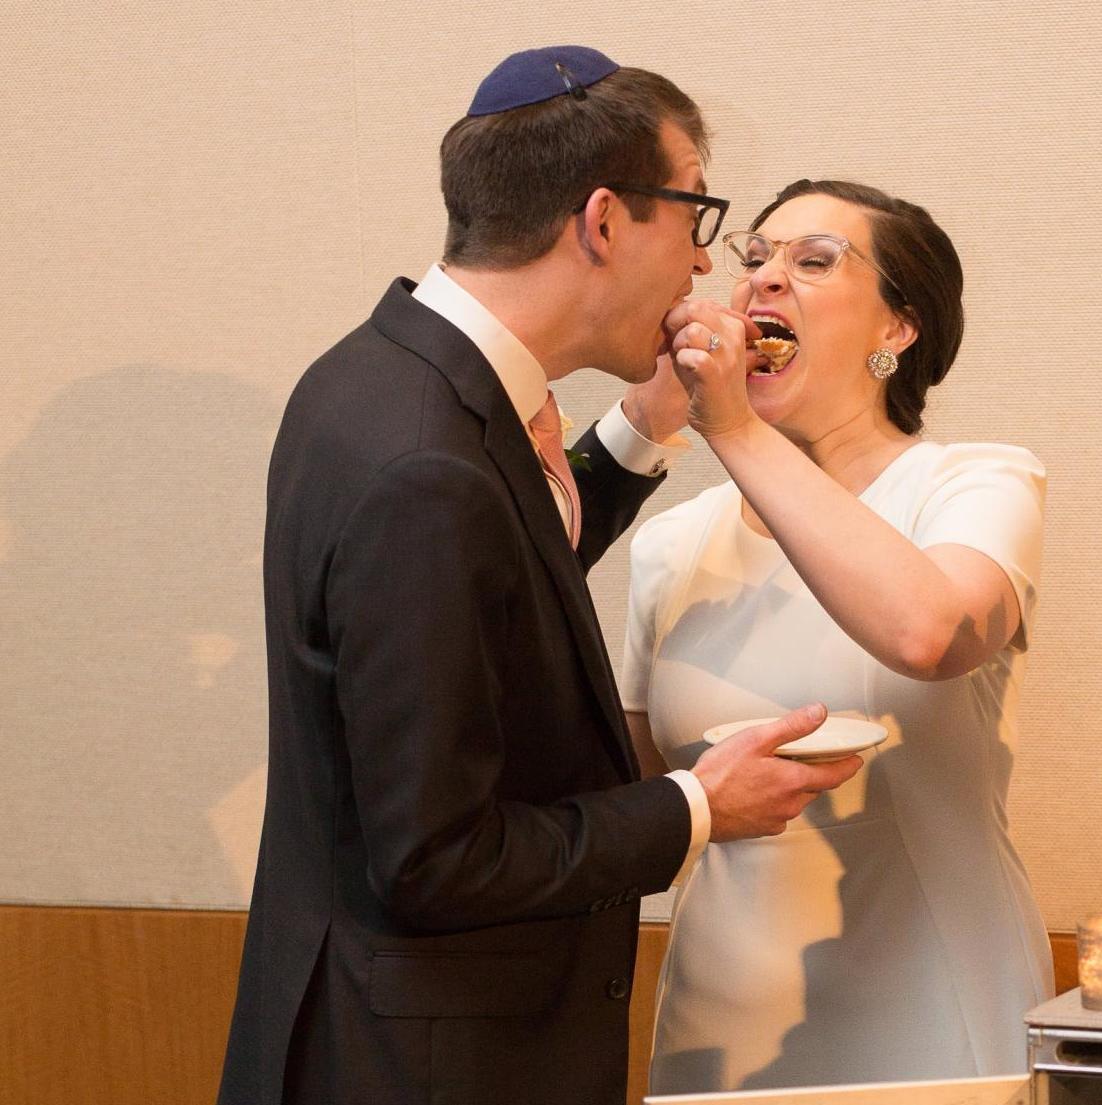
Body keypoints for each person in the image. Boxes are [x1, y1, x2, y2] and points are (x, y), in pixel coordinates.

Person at [216, 49, 862, 1105]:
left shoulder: (379, 376)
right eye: (693, 216)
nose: (704, 268)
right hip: (424, 1065)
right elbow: (437, 858)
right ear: (604, 221)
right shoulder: (427, 463)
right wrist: (698, 802)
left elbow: (488, 586)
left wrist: (645, 429)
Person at [626, 179, 1055, 1093]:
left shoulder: (974, 485)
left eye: (812, 262)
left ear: (898, 327)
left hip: (932, 1017)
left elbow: (930, 632)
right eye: (753, 260)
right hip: (720, 1027)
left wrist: (734, 426)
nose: (762, 284)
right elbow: (624, 794)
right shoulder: (671, 543)